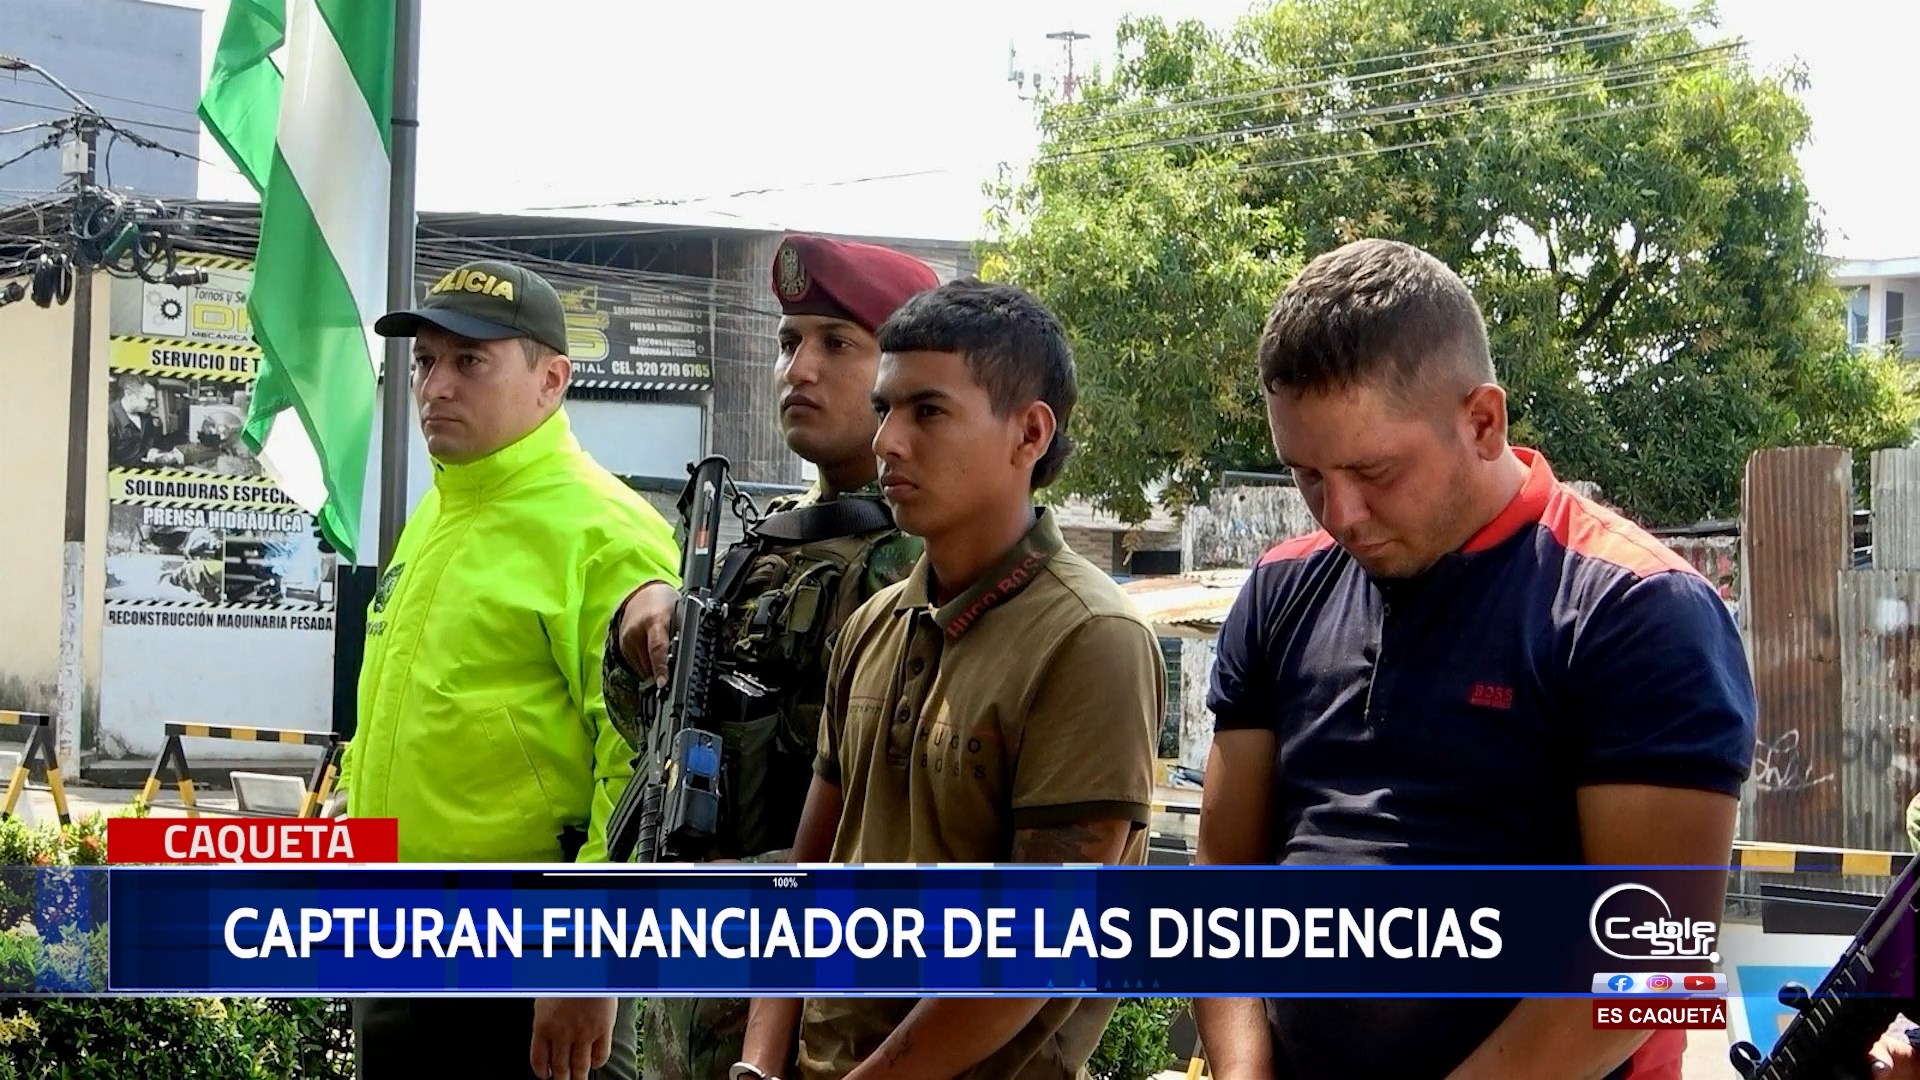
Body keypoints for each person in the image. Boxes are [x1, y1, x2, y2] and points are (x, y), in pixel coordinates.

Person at [1192, 239, 1758, 1080]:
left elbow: (1651, 961)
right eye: (1307, 474)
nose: (1340, 513)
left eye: (1374, 470)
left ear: (1484, 421)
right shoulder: (1282, 587)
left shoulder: (1633, 608)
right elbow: (1223, 881)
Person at [735, 279, 1166, 1080]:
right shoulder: (873, 624)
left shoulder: (1091, 638)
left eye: (927, 411)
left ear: (1029, 432)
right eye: (885, 408)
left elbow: (1035, 946)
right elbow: (804, 880)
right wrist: (757, 1068)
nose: (887, 441)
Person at [601, 234, 937, 1080]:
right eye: (789, 343)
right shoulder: (766, 542)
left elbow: (902, 826)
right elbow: (669, 741)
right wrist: (638, 632)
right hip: (693, 1003)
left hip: (819, 1013)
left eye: (837, 344)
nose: (799, 369)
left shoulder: (921, 564)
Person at [339, 258, 682, 1080]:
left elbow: (643, 764)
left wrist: (592, 955)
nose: (436, 386)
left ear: (551, 380)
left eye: (470, 361)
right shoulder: (442, 508)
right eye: (426, 361)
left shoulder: (604, 529)